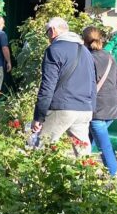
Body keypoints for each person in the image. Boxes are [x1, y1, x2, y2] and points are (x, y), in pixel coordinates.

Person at [31, 17, 96, 156]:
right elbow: (92, 83)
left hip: (62, 108)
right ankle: (86, 177)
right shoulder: (86, 52)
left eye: (47, 32)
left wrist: (39, 116)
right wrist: (91, 108)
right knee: (83, 154)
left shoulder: (54, 50)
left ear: (53, 30)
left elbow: (47, 86)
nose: (47, 36)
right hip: (84, 109)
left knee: (41, 149)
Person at [82, 26, 117, 176]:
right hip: (111, 109)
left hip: (95, 110)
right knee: (85, 143)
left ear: (84, 41)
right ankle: (83, 173)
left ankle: (115, 177)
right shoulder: (110, 57)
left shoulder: (86, 58)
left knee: (104, 146)